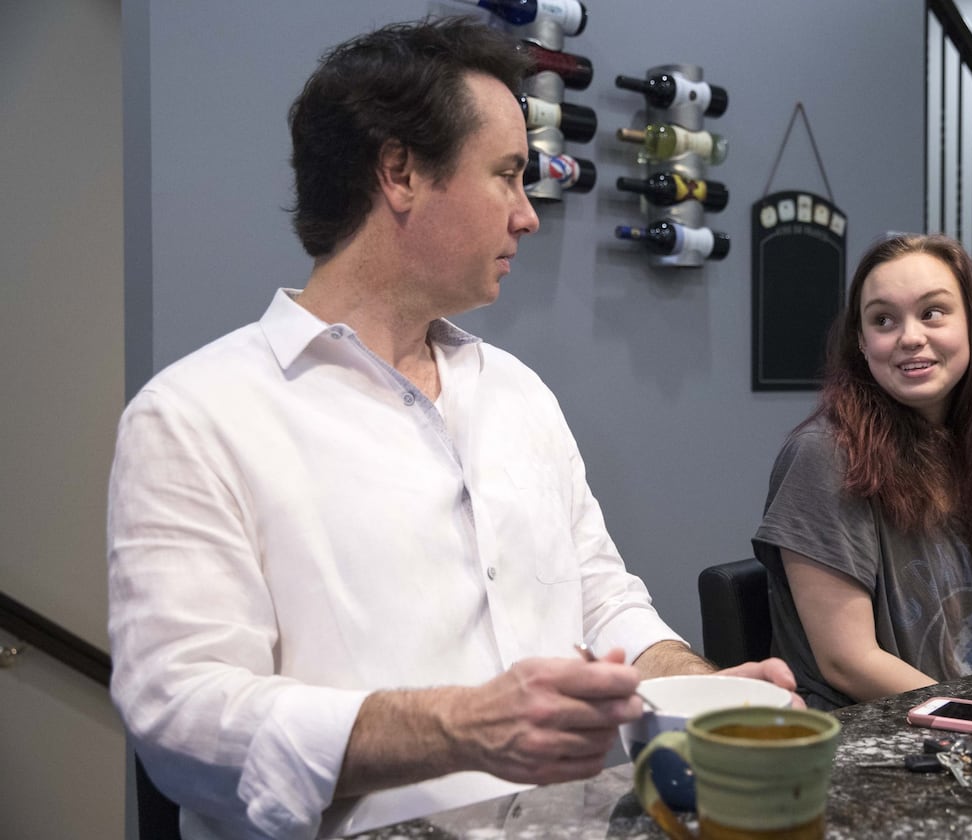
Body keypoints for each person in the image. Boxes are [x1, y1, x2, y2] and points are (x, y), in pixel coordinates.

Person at [107, 17, 795, 840]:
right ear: (400, 171)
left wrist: (701, 687)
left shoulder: (518, 395)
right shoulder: (194, 417)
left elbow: (603, 601)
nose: (527, 215)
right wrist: (464, 726)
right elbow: (182, 716)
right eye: (507, 175)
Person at [752, 232, 972, 711]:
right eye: (883, 320)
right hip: (868, 735)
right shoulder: (824, 455)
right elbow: (848, 662)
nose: (910, 337)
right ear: (863, 345)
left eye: (932, 312)